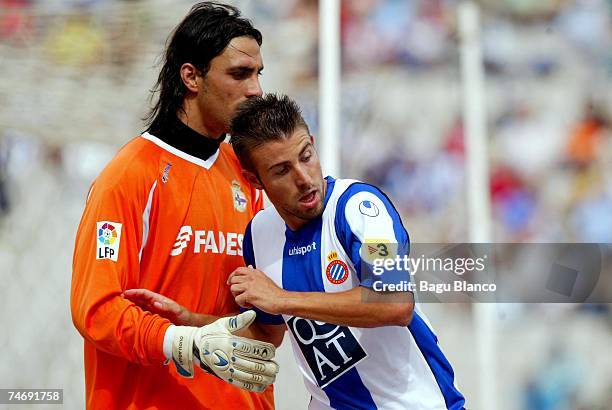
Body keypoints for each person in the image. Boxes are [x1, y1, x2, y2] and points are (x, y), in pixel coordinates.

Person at [127, 94, 466, 409]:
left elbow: (395, 302)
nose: (303, 178)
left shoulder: (360, 208)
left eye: (306, 156)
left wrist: (282, 299)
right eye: (281, 170)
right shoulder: (260, 235)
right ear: (254, 180)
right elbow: (266, 333)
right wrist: (193, 323)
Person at [70, 3, 281, 409]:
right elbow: (95, 309)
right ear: (191, 77)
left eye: (258, 74)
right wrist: (179, 341)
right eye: (239, 74)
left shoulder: (247, 176)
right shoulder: (129, 176)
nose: (256, 89)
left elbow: (263, 323)